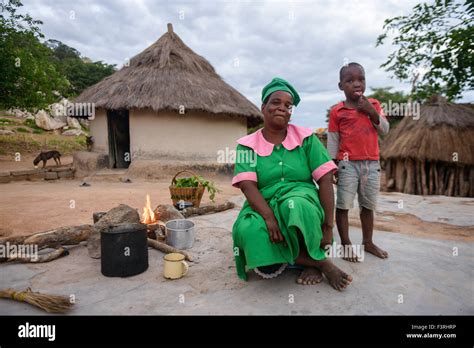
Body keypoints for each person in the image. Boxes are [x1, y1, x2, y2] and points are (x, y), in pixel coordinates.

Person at [231, 77, 352, 290]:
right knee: (249, 229)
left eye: (288, 105)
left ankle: (297, 256)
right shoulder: (247, 145)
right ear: (263, 107)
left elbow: (325, 179)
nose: (282, 108)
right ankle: (318, 262)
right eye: (276, 102)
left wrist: (328, 226)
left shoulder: (306, 138)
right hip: (263, 203)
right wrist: (268, 218)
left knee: (295, 207)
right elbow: (248, 186)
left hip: (301, 196)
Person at [327, 62, 390, 262]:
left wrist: (370, 111)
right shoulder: (338, 111)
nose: (356, 84)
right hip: (347, 164)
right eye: (350, 80)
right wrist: (332, 166)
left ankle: (368, 242)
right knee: (344, 205)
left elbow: (385, 130)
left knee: (368, 205)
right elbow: (333, 141)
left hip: (371, 164)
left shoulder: (374, 105)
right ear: (341, 86)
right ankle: (345, 245)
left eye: (361, 79)